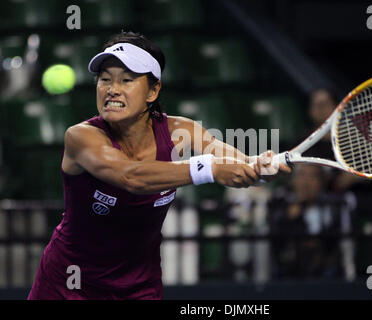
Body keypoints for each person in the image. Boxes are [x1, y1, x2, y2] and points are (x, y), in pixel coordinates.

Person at [27, 31, 291, 300]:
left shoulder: (181, 130)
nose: (112, 89)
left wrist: (258, 168)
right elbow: (131, 177)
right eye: (104, 80)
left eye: (126, 80)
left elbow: (230, 158)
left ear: (153, 90)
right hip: (68, 285)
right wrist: (208, 169)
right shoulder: (81, 137)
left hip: (139, 286)